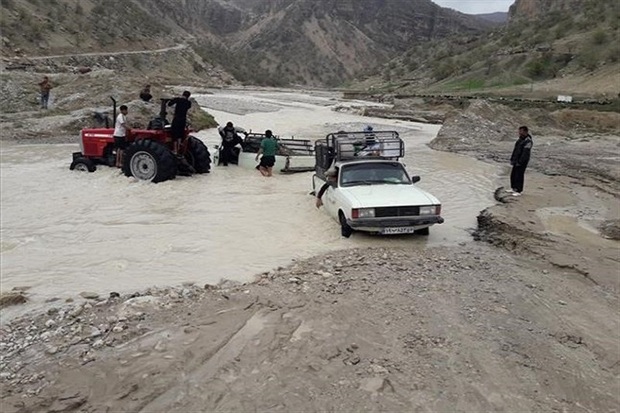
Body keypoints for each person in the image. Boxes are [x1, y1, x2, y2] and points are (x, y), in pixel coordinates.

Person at [508, 126, 533, 197]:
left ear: (525, 132)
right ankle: (513, 188)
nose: (519, 133)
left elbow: (525, 153)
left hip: (522, 161)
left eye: (521, 131)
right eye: (519, 131)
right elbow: (515, 150)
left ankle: (519, 190)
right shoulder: (520, 139)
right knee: (513, 174)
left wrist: (520, 162)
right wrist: (512, 159)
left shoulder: (528, 141)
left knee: (519, 175)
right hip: (516, 159)